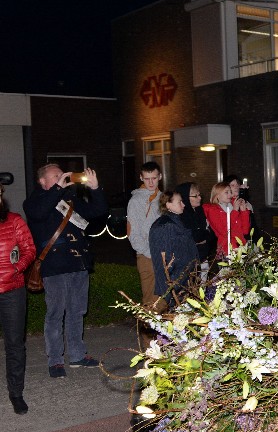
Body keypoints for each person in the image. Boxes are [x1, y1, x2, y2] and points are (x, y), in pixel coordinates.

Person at [23, 164, 109, 378]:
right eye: (56, 176)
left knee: (77, 311)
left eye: (62, 175)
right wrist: (57, 190)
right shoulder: (34, 201)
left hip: (78, 263)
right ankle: (55, 360)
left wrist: (95, 189)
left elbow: (98, 213)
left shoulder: (69, 199)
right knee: (55, 313)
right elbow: (39, 212)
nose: (62, 178)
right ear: (43, 181)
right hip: (55, 266)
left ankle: (77, 355)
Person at [1, 182, 36, 413]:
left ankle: (16, 393)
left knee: (14, 345)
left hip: (12, 291)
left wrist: (17, 268)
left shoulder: (14, 221)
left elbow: (29, 249)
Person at [149, 189, 200, 304]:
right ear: (168, 204)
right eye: (179, 202)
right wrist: (174, 283)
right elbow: (166, 257)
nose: (183, 205)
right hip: (176, 282)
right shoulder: (165, 225)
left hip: (184, 279)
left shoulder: (175, 221)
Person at [127, 162, 163, 309]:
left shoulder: (163, 198)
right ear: (141, 177)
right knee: (151, 301)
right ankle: (147, 332)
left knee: (165, 300)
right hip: (147, 255)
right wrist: (150, 253)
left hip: (164, 254)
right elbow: (133, 233)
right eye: (147, 178)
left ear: (160, 177)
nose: (150, 182)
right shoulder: (136, 201)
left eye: (153, 178)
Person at [203, 181, 252, 256]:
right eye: (226, 192)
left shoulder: (232, 206)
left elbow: (245, 231)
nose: (230, 194)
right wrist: (235, 211)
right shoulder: (213, 210)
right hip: (227, 249)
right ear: (217, 196)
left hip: (241, 246)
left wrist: (243, 211)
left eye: (230, 192)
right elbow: (225, 231)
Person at [177, 182, 212, 261]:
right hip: (189, 257)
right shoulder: (182, 214)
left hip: (204, 254)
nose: (199, 198)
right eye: (195, 196)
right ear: (185, 197)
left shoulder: (199, 210)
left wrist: (205, 234)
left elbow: (210, 233)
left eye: (199, 195)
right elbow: (193, 237)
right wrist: (204, 234)